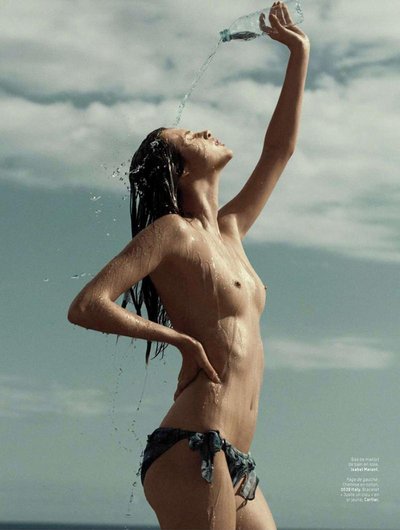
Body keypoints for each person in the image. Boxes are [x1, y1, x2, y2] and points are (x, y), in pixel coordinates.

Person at [68, 3, 310, 529]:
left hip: (235, 458)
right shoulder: (172, 233)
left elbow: (280, 150)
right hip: (193, 445)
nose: (202, 131)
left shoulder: (230, 229)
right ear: (177, 172)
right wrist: (179, 341)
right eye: (187, 139)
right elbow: (87, 306)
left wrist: (298, 53)